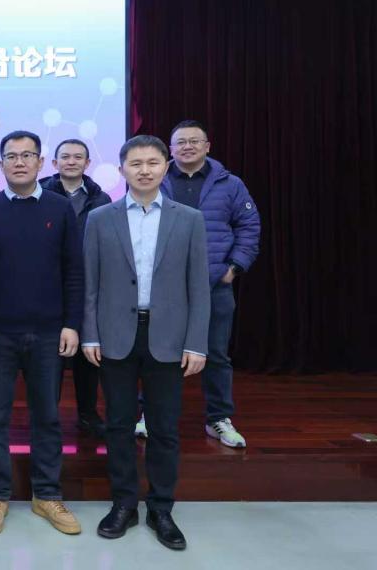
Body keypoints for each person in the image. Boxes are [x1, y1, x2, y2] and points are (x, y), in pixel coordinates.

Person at [82, 135, 210, 551]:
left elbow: (199, 287)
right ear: (122, 169)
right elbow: (90, 283)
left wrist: (197, 343)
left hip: (168, 336)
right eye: (135, 163)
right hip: (116, 335)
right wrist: (90, 333)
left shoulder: (189, 219)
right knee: (118, 425)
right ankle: (124, 503)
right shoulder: (100, 218)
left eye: (153, 162)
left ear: (165, 166)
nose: (144, 170)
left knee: (164, 428)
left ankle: (161, 508)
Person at [0, 131, 84, 537]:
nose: (19, 162)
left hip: (49, 332)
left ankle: (47, 494)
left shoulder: (60, 208)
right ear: (0, 164)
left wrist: (72, 323)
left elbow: (74, 270)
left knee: (47, 417)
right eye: (11, 156)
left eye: (27, 155)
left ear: (40, 162)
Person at [162, 120, 260, 448]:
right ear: (171, 149)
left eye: (194, 141)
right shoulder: (157, 178)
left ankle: (218, 418)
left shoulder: (229, 184)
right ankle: (152, 414)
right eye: (180, 142)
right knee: (159, 354)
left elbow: (249, 225)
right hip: (163, 287)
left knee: (216, 355)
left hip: (214, 285)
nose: (187, 146)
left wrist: (234, 267)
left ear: (207, 146)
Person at [39, 138, 112, 438]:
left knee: (87, 352)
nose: (71, 162)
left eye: (78, 157)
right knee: (51, 354)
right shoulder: (40, 194)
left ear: (87, 163)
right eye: (65, 157)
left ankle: (87, 412)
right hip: (48, 284)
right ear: (54, 163)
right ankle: (48, 413)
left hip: (91, 284)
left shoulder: (101, 198)